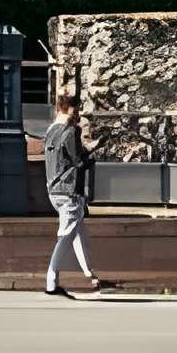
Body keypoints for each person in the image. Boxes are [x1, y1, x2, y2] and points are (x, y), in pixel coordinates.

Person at [44, 87, 107, 297]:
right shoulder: (70, 131)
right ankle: (51, 280)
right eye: (76, 109)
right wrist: (92, 156)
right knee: (66, 236)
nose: (78, 113)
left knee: (78, 233)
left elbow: (65, 157)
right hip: (69, 190)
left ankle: (90, 274)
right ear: (69, 108)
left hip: (53, 189)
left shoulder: (50, 130)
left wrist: (91, 148)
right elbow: (78, 161)